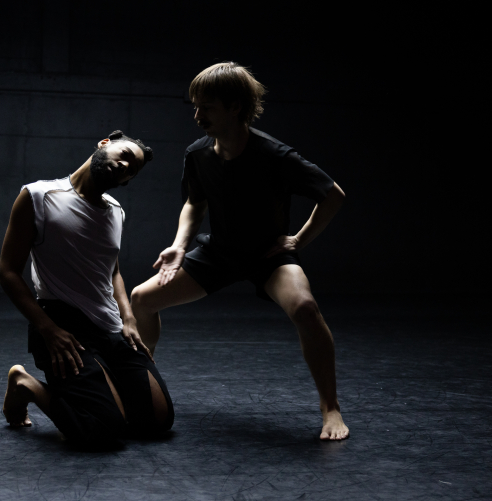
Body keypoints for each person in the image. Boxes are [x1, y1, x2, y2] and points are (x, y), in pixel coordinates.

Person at [128, 62, 350, 440]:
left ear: (234, 107)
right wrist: (179, 246)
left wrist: (298, 240)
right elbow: (194, 203)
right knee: (141, 299)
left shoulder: (275, 155)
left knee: (305, 308)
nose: (197, 115)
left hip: (268, 257)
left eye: (207, 107)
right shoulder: (198, 154)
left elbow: (333, 195)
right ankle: (141, 384)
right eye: (195, 106)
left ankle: (330, 408)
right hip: (219, 253)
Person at [0, 130, 173, 447]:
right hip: (63, 325)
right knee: (104, 429)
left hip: (111, 326)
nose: (126, 166)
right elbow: (8, 272)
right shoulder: (39, 196)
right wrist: (48, 329)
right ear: (105, 143)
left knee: (159, 420)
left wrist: (128, 318)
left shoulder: (116, 210)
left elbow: (113, 269)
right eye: (125, 155)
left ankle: (102, 393)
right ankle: (26, 385)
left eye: (133, 168)